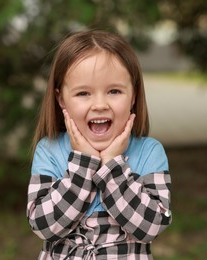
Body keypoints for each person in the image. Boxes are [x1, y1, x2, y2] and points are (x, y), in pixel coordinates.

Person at [27, 30, 172, 260]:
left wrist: (113, 165)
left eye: (114, 91)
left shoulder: (149, 152)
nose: (100, 104)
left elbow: (150, 228)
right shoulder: (50, 150)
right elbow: (43, 226)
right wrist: (83, 164)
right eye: (83, 93)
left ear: (133, 95)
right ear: (61, 99)